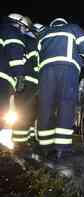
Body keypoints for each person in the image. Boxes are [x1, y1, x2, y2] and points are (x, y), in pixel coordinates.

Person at [37, 18, 84, 160]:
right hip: (67, 69)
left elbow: (37, 56)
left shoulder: (43, 33)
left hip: (45, 73)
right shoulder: (72, 28)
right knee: (66, 104)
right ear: (64, 22)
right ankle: (62, 149)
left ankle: (45, 147)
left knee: (46, 107)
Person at [0, 13, 30, 151]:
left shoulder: (3, 31)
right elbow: (15, 54)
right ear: (18, 24)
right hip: (3, 77)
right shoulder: (13, 33)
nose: (24, 32)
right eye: (24, 28)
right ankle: (3, 141)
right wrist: (20, 76)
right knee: (4, 110)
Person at [12, 18, 43, 148]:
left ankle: (27, 138)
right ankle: (20, 141)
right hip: (29, 82)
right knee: (25, 111)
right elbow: (36, 63)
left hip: (27, 82)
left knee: (30, 112)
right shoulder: (32, 42)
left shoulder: (25, 40)